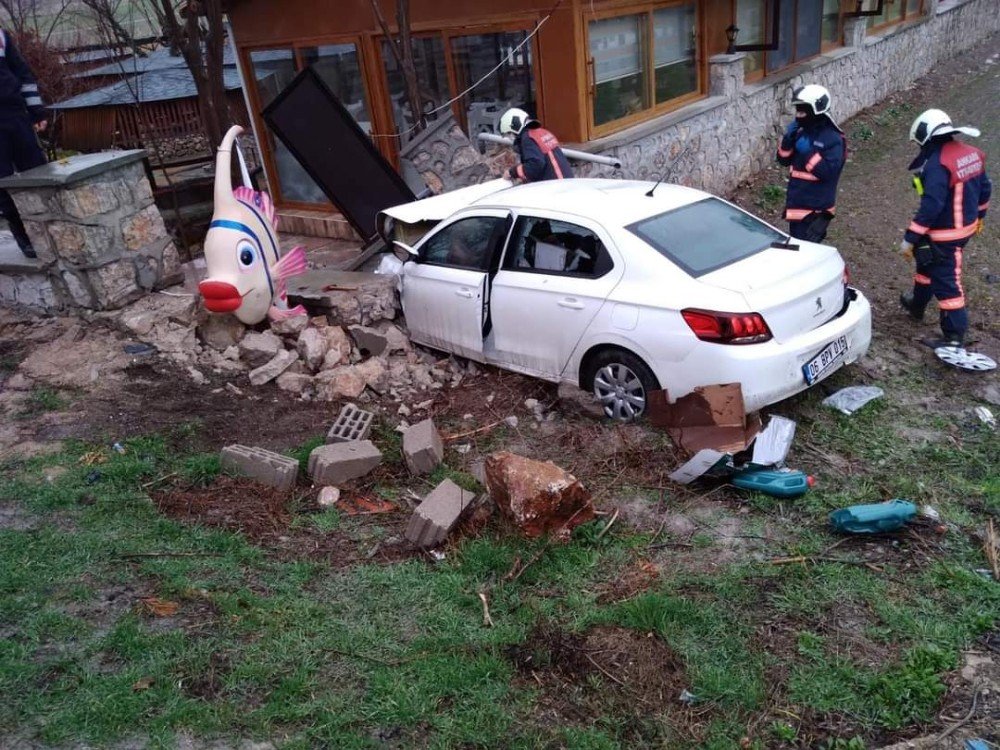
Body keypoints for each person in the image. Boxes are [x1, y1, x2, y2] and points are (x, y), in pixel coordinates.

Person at [898, 108, 991, 348]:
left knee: (946, 282)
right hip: (965, 227)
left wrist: (910, 238)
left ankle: (953, 336)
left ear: (927, 136)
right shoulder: (972, 154)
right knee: (926, 264)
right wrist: (980, 215)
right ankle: (916, 304)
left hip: (945, 234)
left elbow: (931, 205)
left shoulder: (937, 164)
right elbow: (985, 188)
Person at [776, 84, 846, 243]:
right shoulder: (800, 131)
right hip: (796, 207)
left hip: (815, 214)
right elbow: (783, 160)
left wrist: (808, 152)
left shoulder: (833, 139)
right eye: (797, 110)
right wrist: (787, 140)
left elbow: (828, 173)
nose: (799, 114)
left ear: (817, 109)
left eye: (803, 110)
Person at [0, 28, 47, 258]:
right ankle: (24, 238)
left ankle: (50, 230)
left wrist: (36, 111)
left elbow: (22, 73)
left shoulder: (0, 35)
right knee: (3, 182)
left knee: (38, 171)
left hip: (15, 115)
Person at [498, 107, 573, 183]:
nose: (511, 138)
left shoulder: (528, 138)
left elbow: (536, 164)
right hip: (565, 181)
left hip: (555, 185)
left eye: (509, 133)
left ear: (514, 127)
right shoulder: (541, 132)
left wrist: (513, 172)